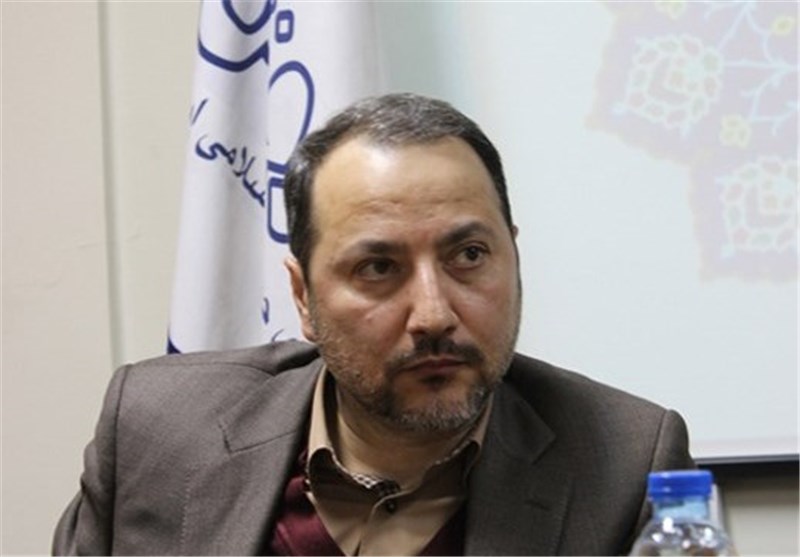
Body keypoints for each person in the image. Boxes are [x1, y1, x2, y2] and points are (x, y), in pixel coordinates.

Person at [53, 93, 694, 556]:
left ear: (514, 258)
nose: (434, 314)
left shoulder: (624, 463)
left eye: (469, 256)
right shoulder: (157, 430)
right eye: (378, 268)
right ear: (303, 297)